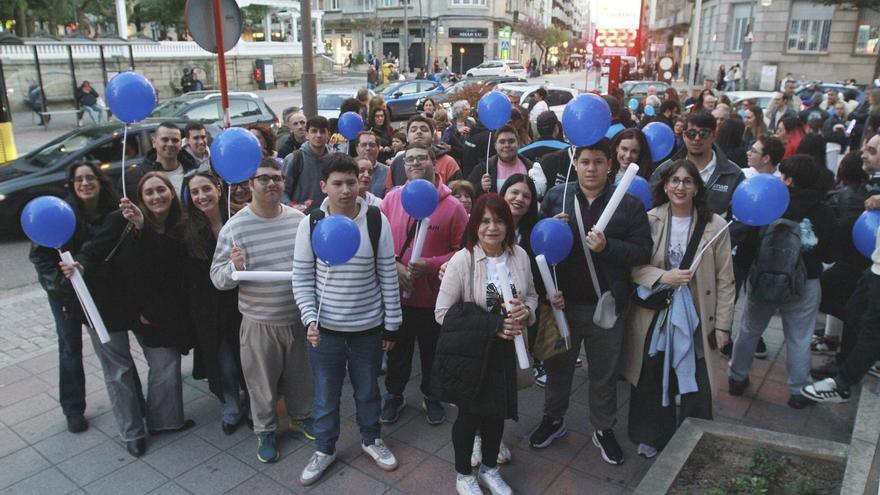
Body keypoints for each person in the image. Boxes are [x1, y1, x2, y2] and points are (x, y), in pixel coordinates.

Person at [530, 139, 652, 465]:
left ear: (609, 164)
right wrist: (552, 230)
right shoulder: (558, 197)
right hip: (562, 305)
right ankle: (553, 419)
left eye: (598, 162)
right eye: (585, 161)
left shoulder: (628, 205)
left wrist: (607, 247)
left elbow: (642, 251)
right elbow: (539, 249)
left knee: (604, 373)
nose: (591, 168)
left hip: (606, 305)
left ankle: (603, 428)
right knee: (557, 369)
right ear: (576, 162)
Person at [62, 172, 195, 457]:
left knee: (165, 363)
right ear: (140, 198)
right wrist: (80, 267)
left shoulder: (179, 227)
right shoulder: (120, 220)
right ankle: (132, 432)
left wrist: (144, 227)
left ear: (172, 193)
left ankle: (165, 421)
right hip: (106, 307)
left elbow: (170, 268)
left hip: (150, 310)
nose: (156, 196)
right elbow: (92, 251)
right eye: (149, 192)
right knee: (118, 372)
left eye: (162, 190)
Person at [292, 153, 402, 486]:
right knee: (325, 393)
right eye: (337, 183)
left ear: (360, 183)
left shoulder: (374, 220)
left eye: (351, 182)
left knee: (369, 390)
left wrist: (392, 325)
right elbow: (301, 276)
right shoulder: (310, 222)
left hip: (368, 329)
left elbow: (387, 274)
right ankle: (325, 449)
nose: (345, 190)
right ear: (324, 185)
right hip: (325, 332)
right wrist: (310, 318)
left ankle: (371, 439)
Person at [622, 159, 735, 458]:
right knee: (651, 372)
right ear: (665, 185)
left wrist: (723, 326)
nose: (680, 187)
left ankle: (693, 437)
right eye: (674, 181)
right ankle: (650, 435)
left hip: (698, 315)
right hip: (655, 313)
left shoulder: (716, 226)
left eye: (687, 181)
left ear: (697, 187)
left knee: (696, 376)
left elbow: (726, 280)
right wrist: (663, 276)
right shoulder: (649, 219)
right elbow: (633, 266)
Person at [433, 193, 540, 495]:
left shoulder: (519, 256)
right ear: (475, 225)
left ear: (508, 224)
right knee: (469, 417)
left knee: (496, 415)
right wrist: (492, 326)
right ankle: (464, 474)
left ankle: (490, 469)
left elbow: (532, 295)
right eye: (485, 221)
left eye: (499, 220)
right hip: (473, 355)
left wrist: (527, 310)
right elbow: (443, 313)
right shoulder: (462, 260)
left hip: (507, 351)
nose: (492, 227)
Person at [210, 159, 315, 463]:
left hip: (297, 317)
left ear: (284, 183)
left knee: (301, 377)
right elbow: (217, 279)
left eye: (277, 178)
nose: (271, 184)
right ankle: (266, 430)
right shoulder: (235, 227)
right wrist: (234, 267)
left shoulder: (299, 221)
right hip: (259, 322)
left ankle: (301, 416)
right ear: (250, 185)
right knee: (261, 384)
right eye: (264, 178)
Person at [728, 154, 837, 409]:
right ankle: (799, 390)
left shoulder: (769, 201)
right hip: (805, 282)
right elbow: (830, 253)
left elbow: (747, 243)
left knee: (749, 329)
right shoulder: (822, 210)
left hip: (763, 278)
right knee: (799, 337)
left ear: (788, 178)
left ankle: (737, 377)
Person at [380, 143, 469, 426]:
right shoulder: (391, 200)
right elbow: (378, 241)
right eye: (409, 160)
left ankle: (432, 395)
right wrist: (395, 265)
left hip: (434, 300)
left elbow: (464, 250)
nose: (415, 163)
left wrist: (430, 264)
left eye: (421, 158)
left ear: (434, 162)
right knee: (397, 353)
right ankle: (394, 395)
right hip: (398, 299)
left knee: (433, 353)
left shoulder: (453, 207)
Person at [29, 162, 119, 434]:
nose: (85, 183)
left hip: (102, 292)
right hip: (65, 295)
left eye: (91, 178)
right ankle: (73, 408)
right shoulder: (59, 213)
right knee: (70, 348)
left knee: (112, 345)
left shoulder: (112, 211)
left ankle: (129, 401)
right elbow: (40, 259)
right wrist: (64, 286)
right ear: (72, 184)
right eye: (79, 179)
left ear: (100, 182)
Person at [182, 172, 248, 434]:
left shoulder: (241, 218)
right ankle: (231, 404)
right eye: (195, 192)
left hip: (243, 303)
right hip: (209, 310)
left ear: (219, 189)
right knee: (224, 364)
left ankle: (256, 403)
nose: (201, 196)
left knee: (248, 360)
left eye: (206, 189)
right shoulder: (187, 231)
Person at [387, 116, 462, 189]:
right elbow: (389, 192)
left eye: (424, 129)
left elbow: (457, 194)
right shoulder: (397, 162)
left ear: (432, 136)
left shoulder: (449, 163)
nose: (419, 132)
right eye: (413, 130)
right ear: (407, 138)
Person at [127, 122, 197, 196]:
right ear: (154, 143)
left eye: (175, 140)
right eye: (165, 139)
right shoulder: (136, 177)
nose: (170, 144)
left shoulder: (194, 171)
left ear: (180, 144)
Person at [284, 115, 333, 213]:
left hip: (328, 217)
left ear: (328, 135)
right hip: (300, 218)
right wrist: (291, 205)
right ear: (307, 134)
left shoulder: (334, 160)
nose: (318, 135)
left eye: (322, 132)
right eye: (314, 131)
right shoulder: (294, 158)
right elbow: (282, 191)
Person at [468, 125, 534, 196]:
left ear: (518, 143)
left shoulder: (531, 167)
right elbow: (468, 192)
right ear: (495, 145)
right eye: (502, 142)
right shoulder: (483, 168)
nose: (507, 145)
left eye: (511, 141)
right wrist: (480, 187)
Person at [356, 131, 391, 198]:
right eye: (364, 145)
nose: (368, 148)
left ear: (378, 148)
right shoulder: (348, 171)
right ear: (357, 148)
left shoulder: (388, 172)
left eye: (372, 145)